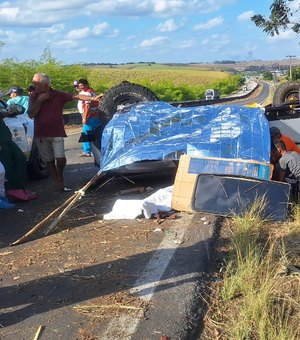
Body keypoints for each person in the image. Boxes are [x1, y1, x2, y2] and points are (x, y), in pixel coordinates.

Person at [28, 72, 101, 193]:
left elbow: (75, 96)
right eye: (34, 83)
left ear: (46, 85)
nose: (34, 86)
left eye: (37, 83)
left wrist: (92, 98)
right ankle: (58, 181)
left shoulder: (58, 95)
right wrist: (40, 100)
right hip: (41, 134)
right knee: (49, 160)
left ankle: (59, 176)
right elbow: (31, 114)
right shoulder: (34, 97)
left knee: (60, 157)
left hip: (57, 131)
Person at [0, 105, 37, 201]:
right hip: (2, 140)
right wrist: (7, 112)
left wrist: (8, 112)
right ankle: (13, 191)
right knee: (8, 165)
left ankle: (18, 188)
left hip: (5, 137)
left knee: (20, 159)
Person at [76, 78, 101, 157]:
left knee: (86, 134)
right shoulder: (91, 92)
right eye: (80, 86)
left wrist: (84, 117)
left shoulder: (87, 94)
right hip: (95, 115)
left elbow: (87, 105)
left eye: (82, 85)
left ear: (86, 85)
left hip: (89, 116)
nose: (81, 87)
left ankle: (87, 151)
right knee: (94, 133)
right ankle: (96, 150)